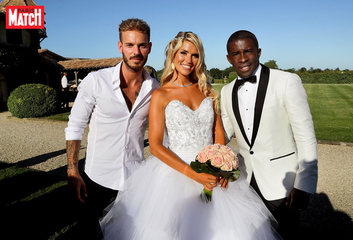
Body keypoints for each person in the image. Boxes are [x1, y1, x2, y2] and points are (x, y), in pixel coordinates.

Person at [100, 31, 281, 240]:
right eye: (183, 53)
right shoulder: (161, 94)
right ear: (173, 54)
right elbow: (156, 146)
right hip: (174, 174)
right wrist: (193, 174)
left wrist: (221, 167)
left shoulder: (207, 90)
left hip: (212, 171)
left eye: (195, 55)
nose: (189, 60)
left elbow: (218, 131)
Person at [64, 18, 160, 238]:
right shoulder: (96, 81)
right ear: (120, 47)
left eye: (142, 45)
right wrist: (71, 170)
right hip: (97, 179)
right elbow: (75, 125)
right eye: (130, 45)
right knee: (91, 234)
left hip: (135, 181)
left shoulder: (155, 88)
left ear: (149, 47)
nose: (136, 51)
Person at [220, 30, 318, 239]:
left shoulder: (287, 81)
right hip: (245, 184)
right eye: (236, 54)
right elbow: (225, 132)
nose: (243, 58)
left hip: (282, 187)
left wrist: (304, 185)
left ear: (259, 52)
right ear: (229, 59)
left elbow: (306, 136)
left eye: (248, 51)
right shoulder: (226, 91)